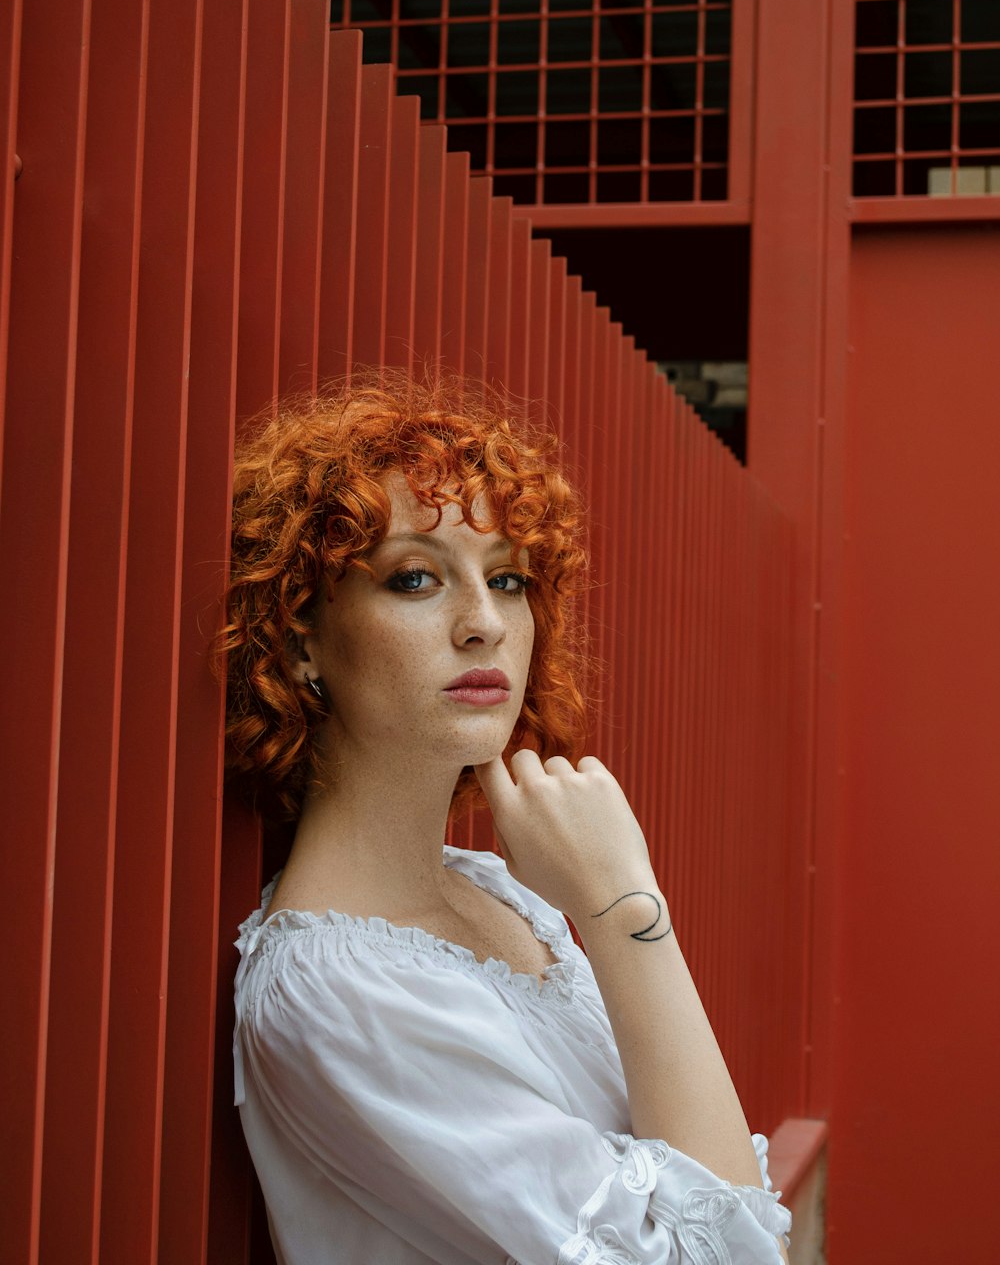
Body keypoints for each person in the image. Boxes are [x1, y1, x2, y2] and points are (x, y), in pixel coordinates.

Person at [220, 371, 792, 1265]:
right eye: (415, 578)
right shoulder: (339, 997)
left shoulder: (497, 890)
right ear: (300, 634)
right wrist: (624, 907)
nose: (484, 623)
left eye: (509, 579)